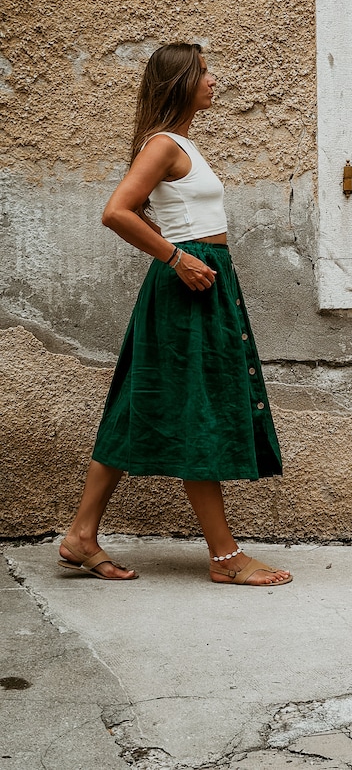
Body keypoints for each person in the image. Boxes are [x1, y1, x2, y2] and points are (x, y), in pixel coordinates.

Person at [59, 42, 292, 587]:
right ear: (181, 82)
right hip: (189, 284)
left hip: (199, 281)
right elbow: (117, 211)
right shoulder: (164, 145)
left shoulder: (180, 144)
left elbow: (144, 210)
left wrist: (179, 250)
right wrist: (176, 254)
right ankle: (225, 557)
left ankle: (81, 535)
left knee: (132, 406)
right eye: (204, 72)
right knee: (200, 410)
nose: (214, 81)